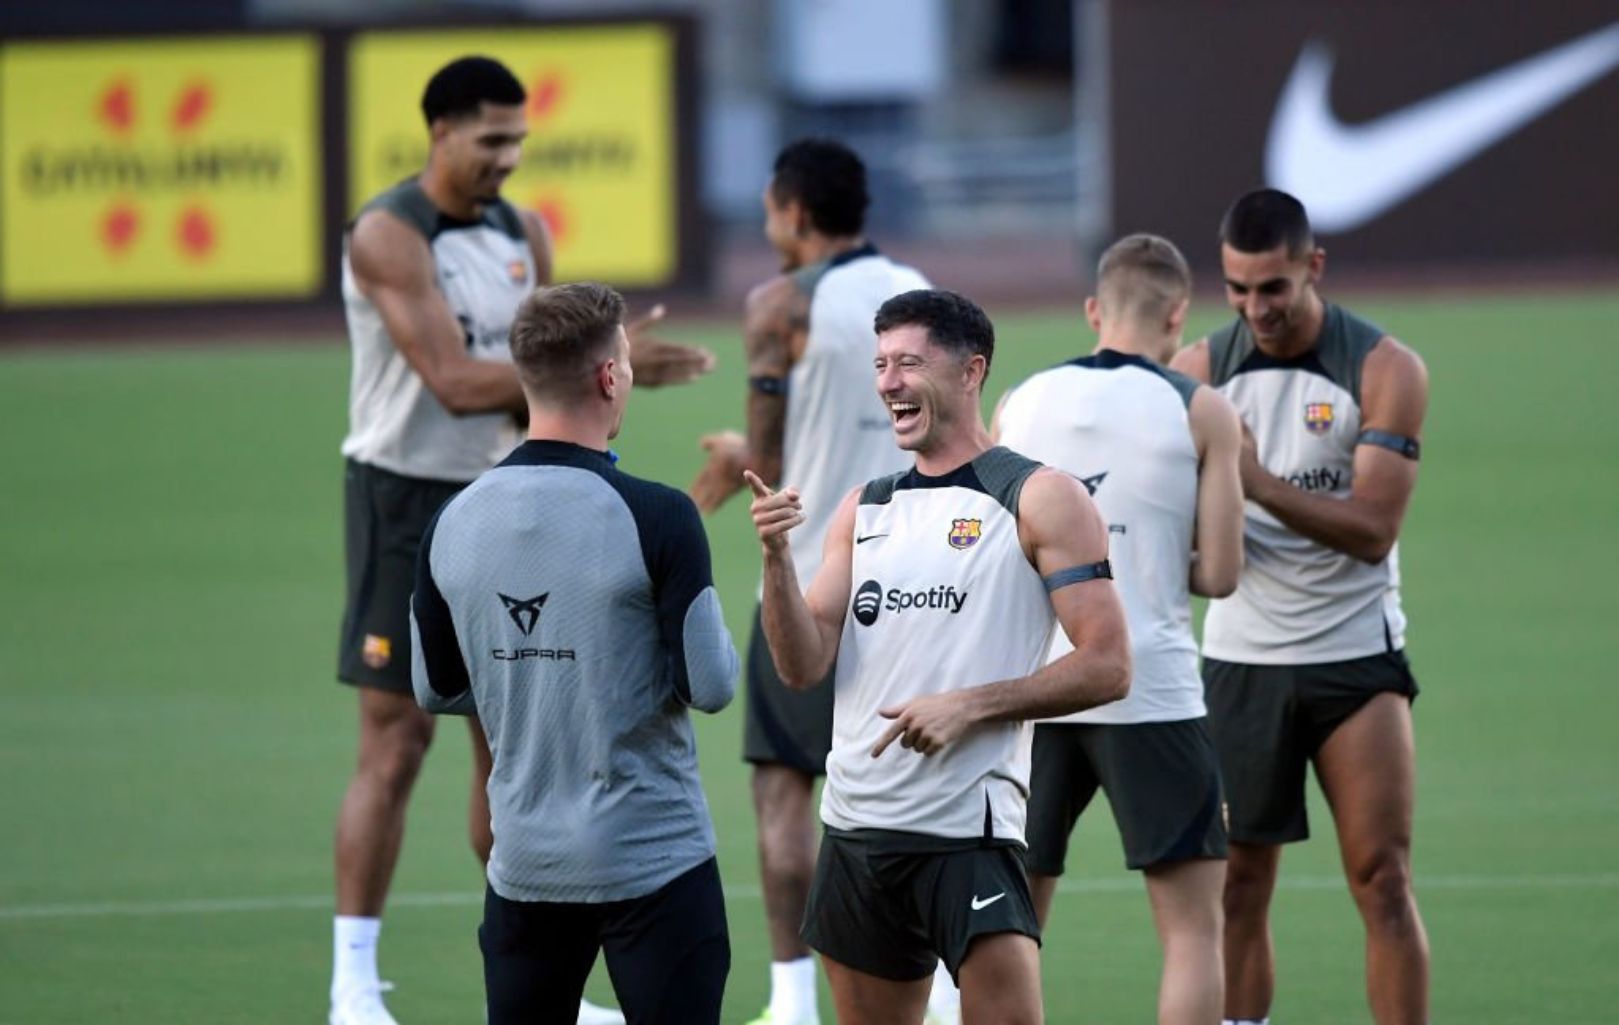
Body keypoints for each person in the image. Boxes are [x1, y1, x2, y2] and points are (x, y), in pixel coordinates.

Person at [333, 56, 711, 1025]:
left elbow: (548, 342)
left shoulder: (522, 230)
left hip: (518, 490)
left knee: (509, 739)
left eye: (517, 140)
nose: (507, 157)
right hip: (409, 499)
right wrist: (591, 371)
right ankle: (353, 979)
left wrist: (610, 369)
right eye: (491, 139)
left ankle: (551, 956)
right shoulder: (388, 232)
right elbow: (455, 381)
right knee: (395, 738)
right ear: (440, 132)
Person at [745, 288, 1132, 1025]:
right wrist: (773, 559)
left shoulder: (1039, 496)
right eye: (881, 363)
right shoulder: (865, 507)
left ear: (969, 371)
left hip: (967, 836)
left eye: (908, 363)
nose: (887, 381)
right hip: (857, 833)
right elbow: (801, 665)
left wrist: (969, 703)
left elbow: (1109, 663)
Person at [410, 281, 739, 1024]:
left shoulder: (449, 521)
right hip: (652, 858)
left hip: (523, 863)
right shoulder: (659, 514)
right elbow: (711, 683)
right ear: (609, 376)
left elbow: (434, 686)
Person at [686, 137, 932, 1025]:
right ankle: (934, 985)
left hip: (809, 582)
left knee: (785, 791)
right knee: (917, 790)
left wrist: (731, 454)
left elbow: (774, 460)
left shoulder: (778, 303)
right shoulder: (920, 297)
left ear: (791, 211)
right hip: (916, 574)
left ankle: (792, 998)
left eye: (767, 208)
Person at [1169, 189, 1430, 1025]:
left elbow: (1371, 529)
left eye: (1272, 288)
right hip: (1241, 661)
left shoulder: (1383, 367)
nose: (1255, 309)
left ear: (1312, 268)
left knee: (1382, 879)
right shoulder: (1197, 373)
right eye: (1237, 290)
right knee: (1238, 886)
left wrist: (1257, 485)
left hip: (1354, 659)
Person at [993, 234, 1245, 1025]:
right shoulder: (1200, 408)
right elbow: (1222, 574)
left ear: (1094, 309)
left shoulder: (1021, 400)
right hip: (1152, 689)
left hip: (1042, 690)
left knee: (1009, 927)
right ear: (1177, 315)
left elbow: (1004, 562)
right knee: (1192, 933)